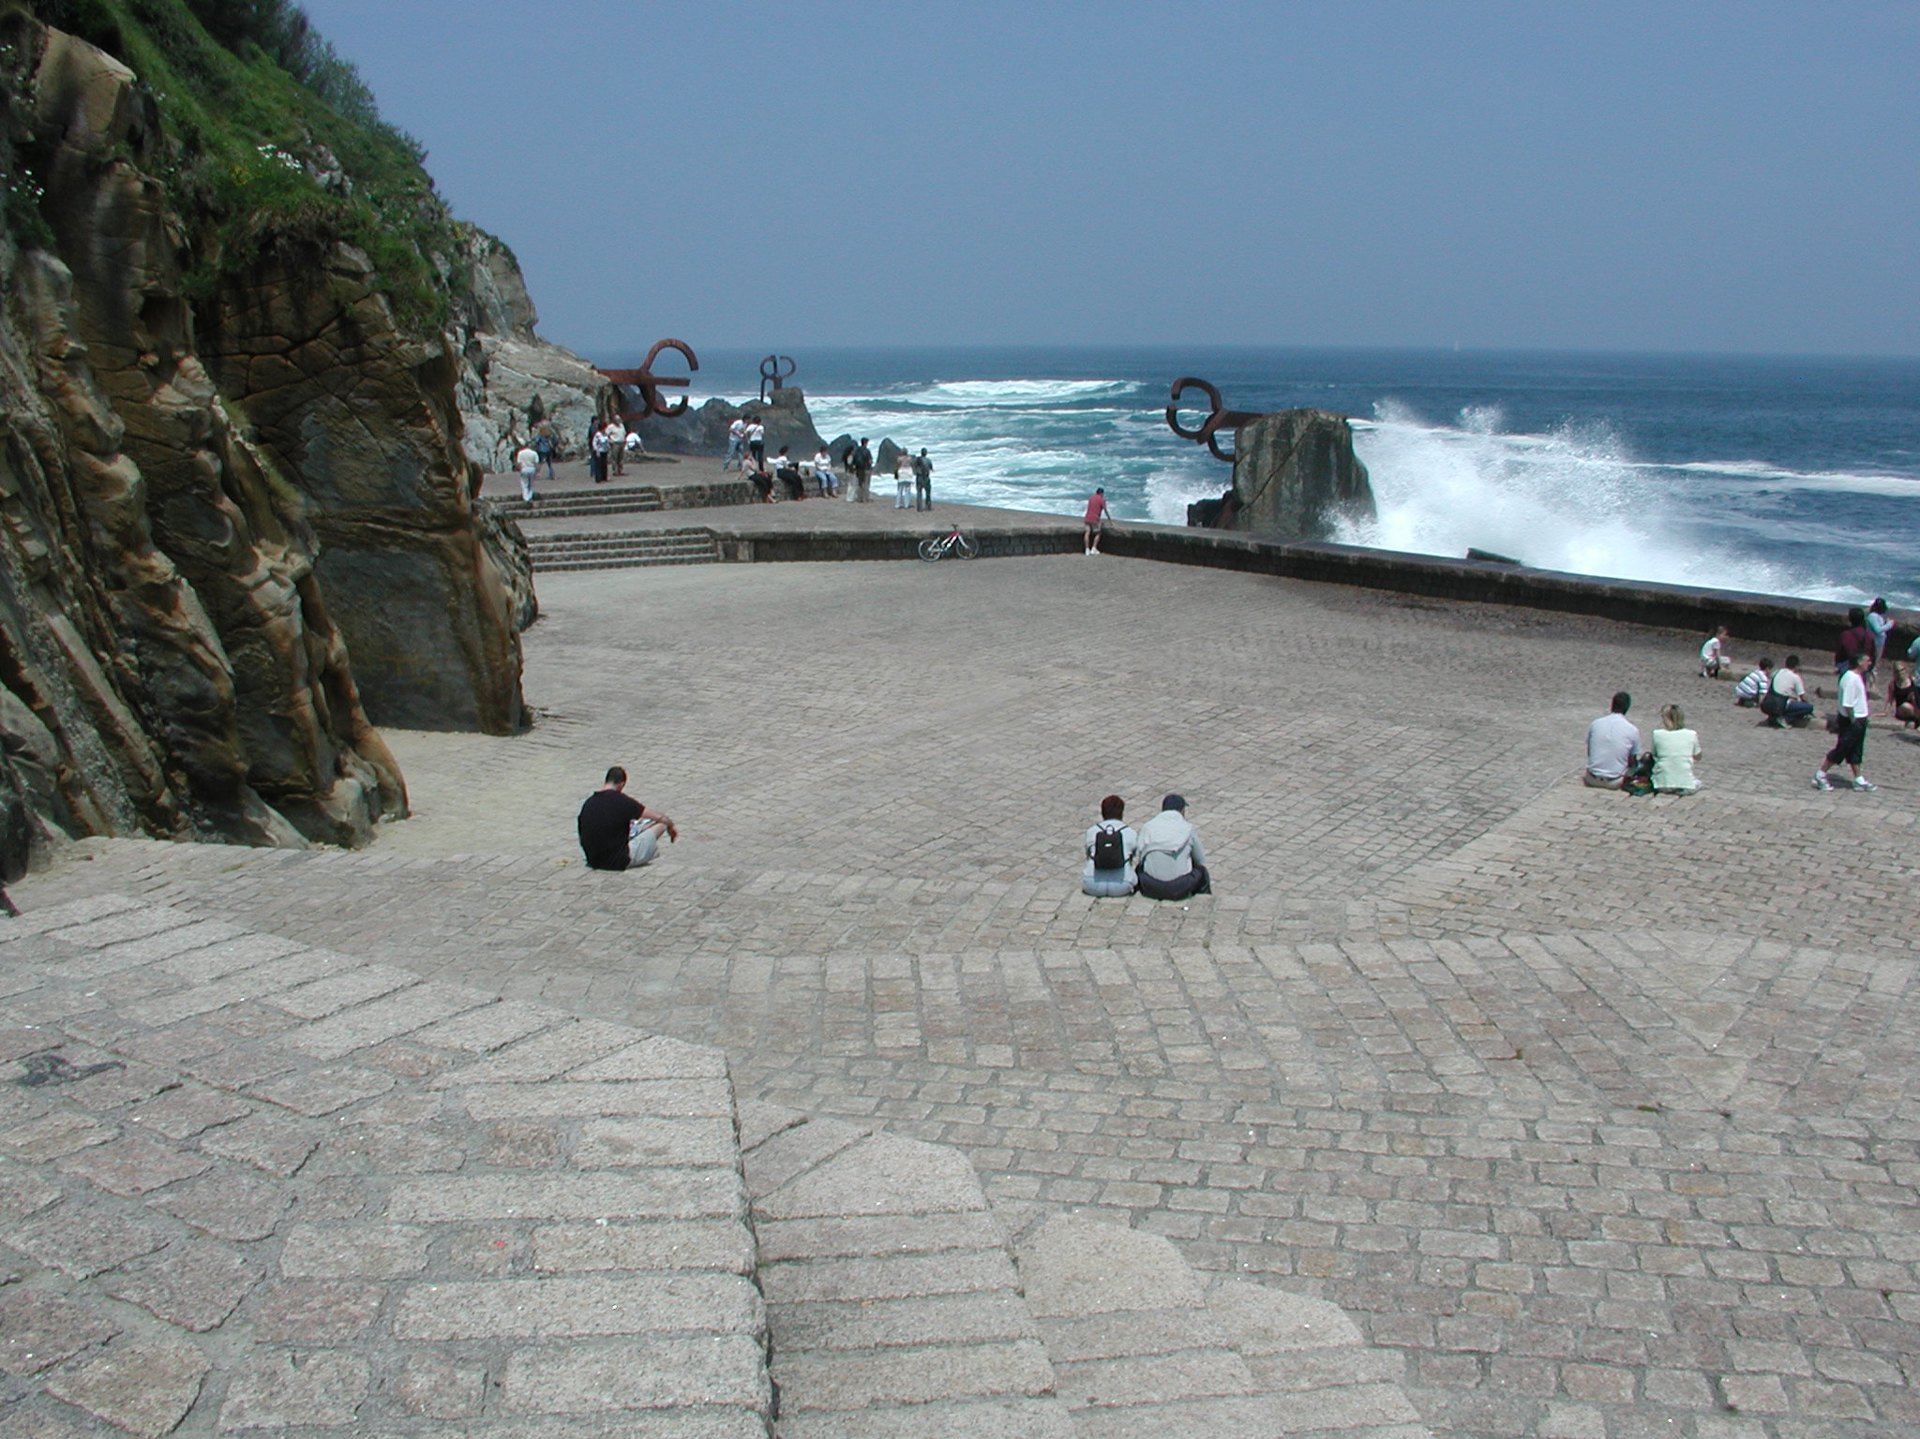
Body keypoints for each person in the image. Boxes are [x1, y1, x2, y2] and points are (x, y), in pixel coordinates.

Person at [577, 766, 678, 870]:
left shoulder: (589, 803)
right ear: (622, 784)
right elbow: (660, 817)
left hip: (593, 859)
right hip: (619, 860)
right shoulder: (623, 802)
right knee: (661, 824)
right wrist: (670, 826)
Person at [1814, 650, 1875, 792]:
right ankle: (1821, 774)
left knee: (1856, 749)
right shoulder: (1850, 679)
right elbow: (1848, 704)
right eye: (1867, 660)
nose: (1869, 663)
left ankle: (1858, 778)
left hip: (1859, 719)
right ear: (1859, 662)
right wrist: (1854, 721)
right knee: (1842, 748)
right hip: (1852, 721)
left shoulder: (1857, 677)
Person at [1133, 794, 1210, 901]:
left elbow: (1140, 857)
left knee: (1138, 869)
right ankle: (1203, 901)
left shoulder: (1147, 827)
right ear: (1182, 810)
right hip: (1180, 887)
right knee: (1202, 872)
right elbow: (1200, 860)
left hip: (1151, 887)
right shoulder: (1188, 829)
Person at [1081, 794, 1138, 898]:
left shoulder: (1091, 832)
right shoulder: (1131, 833)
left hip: (1091, 885)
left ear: (1102, 812)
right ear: (1122, 812)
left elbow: (1088, 855)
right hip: (1122, 886)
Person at [1584, 691, 1643, 789]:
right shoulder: (1632, 730)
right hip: (1615, 781)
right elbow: (1632, 760)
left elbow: (1590, 751)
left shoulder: (1596, 723)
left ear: (1612, 705)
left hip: (1592, 778)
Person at [1650, 704, 1702, 793]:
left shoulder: (1657, 734)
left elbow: (1655, 754)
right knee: (1698, 782)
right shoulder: (1691, 734)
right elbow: (1698, 756)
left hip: (1662, 785)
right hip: (1686, 785)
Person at [1761, 654, 1815, 728]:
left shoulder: (1777, 672)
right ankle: (1785, 719)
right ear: (1796, 666)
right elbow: (1803, 697)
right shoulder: (1795, 677)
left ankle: (1773, 717)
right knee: (1808, 707)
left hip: (1766, 704)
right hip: (1779, 705)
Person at [1834, 606, 1871, 680]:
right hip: (1862, 665)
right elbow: (1872, 653)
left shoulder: (1846, 635)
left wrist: (1837, 665)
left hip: (1847, 666)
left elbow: (1840, 652)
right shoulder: (1869, 635)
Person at [1865, 597, 1892, 676]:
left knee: (1876, 661)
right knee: (1872, 661)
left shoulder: (1877, 616)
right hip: (1875, 642)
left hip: (1879, 642)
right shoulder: (1873, 616)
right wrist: (1889, 624)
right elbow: (1878, 630)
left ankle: (1872, 675)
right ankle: (1870, 676)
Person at [1889, 661, 1920, 729]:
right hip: (1902, 708)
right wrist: (1885, 712)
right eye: (1897, 671)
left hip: (1914, 706)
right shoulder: (1893, 684)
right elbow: (1890, 700)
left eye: (1902, 670)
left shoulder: (1912, 680)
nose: (1900, 673)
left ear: (1906, 669)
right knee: (1906, 706)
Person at [513, 440, 540, 504]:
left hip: (524, 469)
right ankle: (530, 496)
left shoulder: (521, 453)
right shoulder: (534, 453)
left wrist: (520, 470)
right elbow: (536, 463)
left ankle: (526, 498)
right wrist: (538, 472)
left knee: (524, 484)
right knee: (531, 484)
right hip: (532, 469)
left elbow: (519, 463)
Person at [1083, 487, 1109, 555]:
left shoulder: (1091, 498)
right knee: (1098, 533)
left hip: (1087, 518)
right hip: (1095, 519)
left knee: (1087, 533)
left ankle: (1086, 549)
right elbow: (1105, 510)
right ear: (1101, 493)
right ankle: (1093, 548)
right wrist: (1109, 519)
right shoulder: (1101, 499)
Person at [852, 438, 874, 502]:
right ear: (865, 443)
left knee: (860, 483)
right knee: (866, 483)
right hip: (866, 468)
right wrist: (871, 467)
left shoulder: (857, 450)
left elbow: (854, 460)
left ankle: (859, 498)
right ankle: (865, 498)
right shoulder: (867, 451)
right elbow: (870, 461)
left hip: (859, 469)